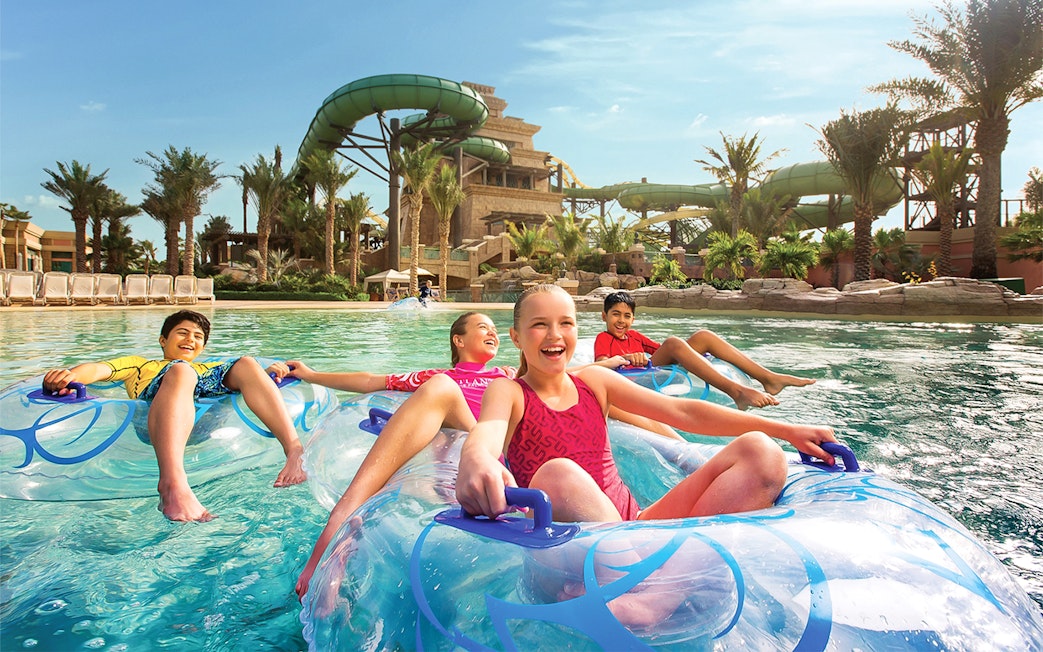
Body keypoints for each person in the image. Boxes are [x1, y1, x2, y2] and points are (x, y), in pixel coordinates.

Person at [290, 311, 679, 600]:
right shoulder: (437, 377)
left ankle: (681, 449)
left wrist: (611, 364)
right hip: (466, 435)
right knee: (442, 388)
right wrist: (310, 374)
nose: (491, 331)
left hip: (497, 442)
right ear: (458, 340)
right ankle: (339, 527)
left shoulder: (508, 377)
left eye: (495, 328)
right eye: (481, 327)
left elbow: (565, 373)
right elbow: (370, 381)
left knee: (594, 398)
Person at [456, 283, 837, 526]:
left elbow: (683, 412)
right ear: (516, 337)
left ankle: (657, 577)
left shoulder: (595, 381)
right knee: (559, 475)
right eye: (540, 325)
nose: (555, 335)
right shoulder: (509, 392)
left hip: (633, 524)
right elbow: (487, 433)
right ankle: (641, 584)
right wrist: (475, 458)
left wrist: (787, 431)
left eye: (566, 323)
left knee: (761, 452)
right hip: (570, 544)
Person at [42, 310, 306, 523]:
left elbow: (252, 380)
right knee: (181, 371)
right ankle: (171, 484)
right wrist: (70, 376)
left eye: (198, 336)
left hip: (205, 424)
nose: (190, 339)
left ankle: (294, 450)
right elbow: (99, 369)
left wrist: (269, 372)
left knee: (247, 363)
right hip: (156, 420)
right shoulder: (140, 364)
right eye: (182, 332)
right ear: (163, 340)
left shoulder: (208, 368)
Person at [594, 290, 815, 410]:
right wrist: (626, 358)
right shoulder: (603, 338)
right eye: (615, 314)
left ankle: (768, 378)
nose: (621, 321)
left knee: (703, 336)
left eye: (627, 316)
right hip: (634, 381)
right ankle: (736, 392)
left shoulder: (635, 336)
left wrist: (692, 354)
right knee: (673, 342)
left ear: (633, 319)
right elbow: (602, 365)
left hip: (652, 371)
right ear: (604, 316)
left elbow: (662, 351)